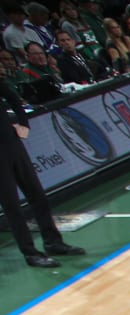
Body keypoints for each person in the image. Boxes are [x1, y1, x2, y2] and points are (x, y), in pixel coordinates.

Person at [1, 78, 85, 268]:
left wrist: (24, 124)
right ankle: (31, 253)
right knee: (12, 206)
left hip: (13, 145)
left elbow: (14, 99)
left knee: (38, 196)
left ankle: (53, 242)